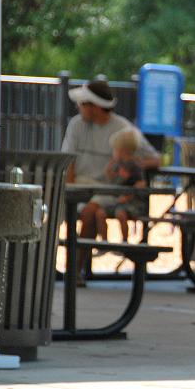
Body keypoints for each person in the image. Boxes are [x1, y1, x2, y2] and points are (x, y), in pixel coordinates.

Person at [61, 79, 160, 284]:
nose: (78, 107)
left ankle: (74, 270)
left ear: (95, 106)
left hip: (107, 190)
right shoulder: (76, 125)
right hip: (78, 187)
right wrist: (68, 190)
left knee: (89, 211)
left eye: (82, 103)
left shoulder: (123, 129)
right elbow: (68, 162)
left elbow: (155, 158)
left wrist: (132, 164)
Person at [103, 127, 147, 242]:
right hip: (117, 199)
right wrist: (111, 164)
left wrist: (127, 197)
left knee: (120, 214)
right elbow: (109, 176)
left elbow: (140, 184)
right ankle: (103, 241)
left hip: (130, 202)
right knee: (100, 212)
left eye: (115, 150)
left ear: (122, 151)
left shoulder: (134, 166)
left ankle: (124, 240)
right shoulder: (118, 164)